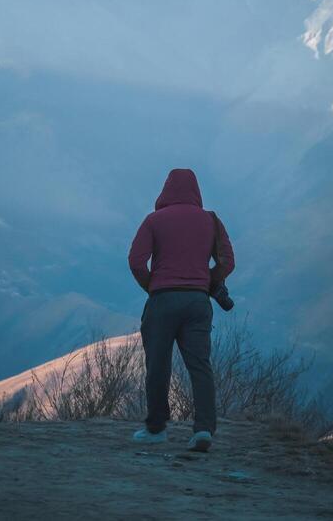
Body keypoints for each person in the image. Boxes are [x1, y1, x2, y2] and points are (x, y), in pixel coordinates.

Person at [127, 167, 235, 452]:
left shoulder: (154, 221)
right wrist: (206, 282)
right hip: (198, 302)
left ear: (165, 190)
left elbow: (136, 261)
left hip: (162, 300)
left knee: (158, 365)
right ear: (196, 191)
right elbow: (228, 261)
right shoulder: (211, 220)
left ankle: (156, 428)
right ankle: (203, 431)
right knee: (200, 365)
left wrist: (153, 286)